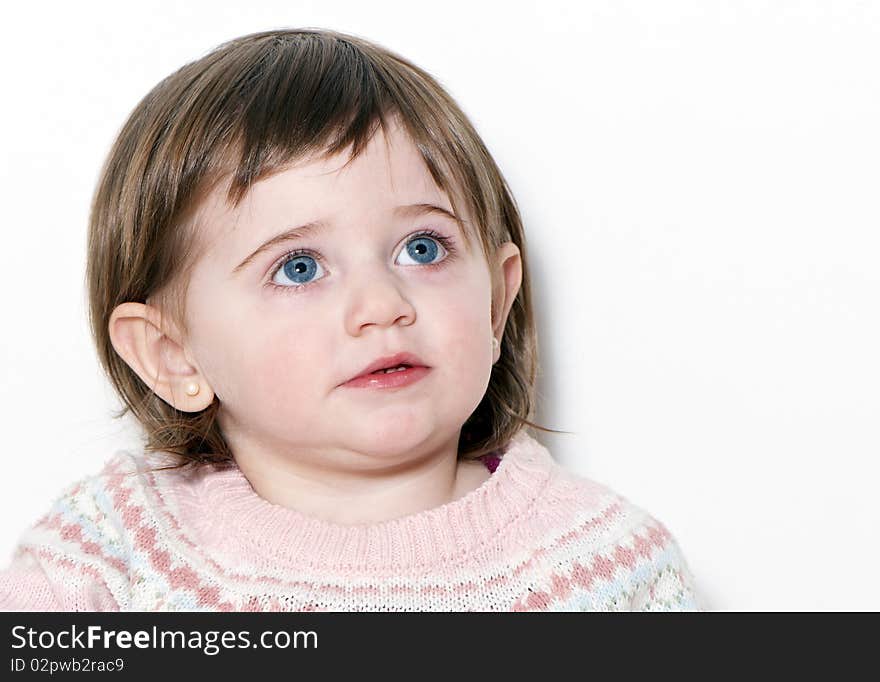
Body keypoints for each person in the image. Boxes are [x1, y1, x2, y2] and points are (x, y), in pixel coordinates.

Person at [0, 27, 705, 611]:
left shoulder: (606, 567)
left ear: (497, 299)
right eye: (299, 267)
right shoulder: (111, 555)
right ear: (173, 355)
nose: (382, 307)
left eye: (421, 249)